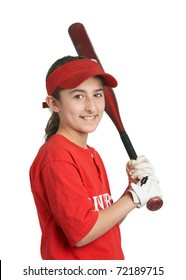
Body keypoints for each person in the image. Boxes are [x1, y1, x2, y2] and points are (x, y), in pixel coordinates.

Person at [29, 55, 162, 260]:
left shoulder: (91, 153)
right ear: (54, 103)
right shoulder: (56, 156)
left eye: (98, 94)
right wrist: (134, 197)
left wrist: (132, 188)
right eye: (78, 96)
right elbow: (82, 233)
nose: (91, 107)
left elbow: (102, 222)